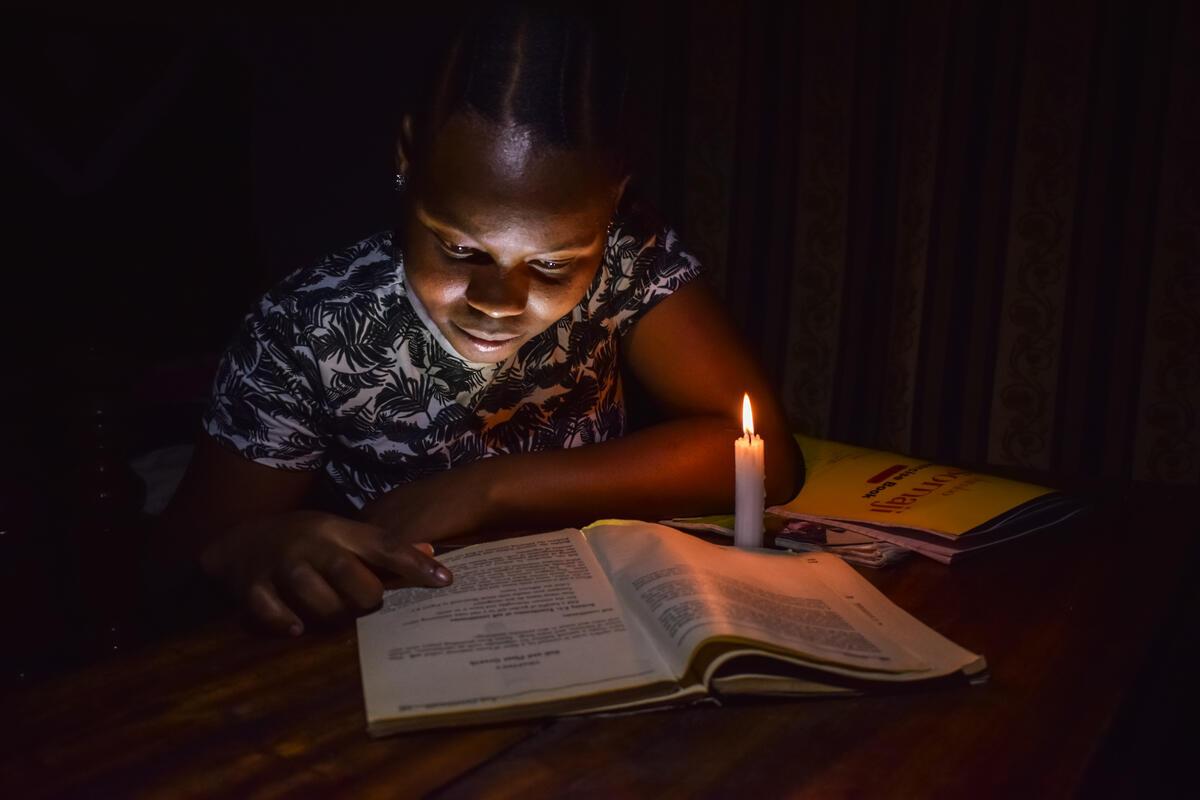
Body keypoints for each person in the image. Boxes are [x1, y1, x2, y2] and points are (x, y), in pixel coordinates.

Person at [164, 3, 802, 636]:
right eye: (461, 249)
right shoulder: (308, 327)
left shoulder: (627, 257)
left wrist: (486, 489)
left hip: (590, 625)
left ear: (613, 202)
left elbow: (765, 457)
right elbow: (184, 569)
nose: (499, 301)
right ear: (409, 156)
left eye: (553, 265)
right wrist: (262, 550)